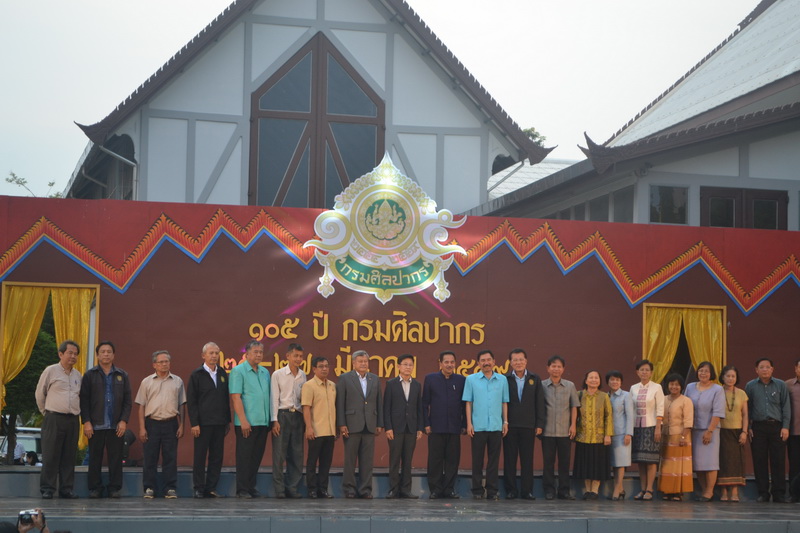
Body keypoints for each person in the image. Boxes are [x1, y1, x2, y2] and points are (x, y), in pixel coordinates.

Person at [79, 341, 132, 499]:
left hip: (116, 425)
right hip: (95, 425)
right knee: (95, 458)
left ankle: (114, 488)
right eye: (103, 351)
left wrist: (123, 421)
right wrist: (86, 421)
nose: (106, 354)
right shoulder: (90, 375)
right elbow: (84, 400)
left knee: (116, 459)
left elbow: (128, 401)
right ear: (97, 355)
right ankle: (95, 488)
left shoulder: (122, 375)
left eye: (109, 351)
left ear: (113, 355)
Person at [135, 350, 186, 499]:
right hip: (151, 424)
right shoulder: (146, 382)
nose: (164, 364)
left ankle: (169, 488)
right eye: (161, 362)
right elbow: (141, 406)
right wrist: (142, 427)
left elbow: (182, 405)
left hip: (171, 423)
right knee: (150, 457)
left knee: (170, 457)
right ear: (154, 365)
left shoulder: (178, 381)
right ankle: (149, 488)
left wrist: (182, 424)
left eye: (167, 361)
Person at [35, 340, 82, 499]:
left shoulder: (77, 375)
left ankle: (66, 489)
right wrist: (46, 412)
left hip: (72, 420)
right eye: (70, 353)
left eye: (75, 354)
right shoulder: (51, 371)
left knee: (69, 456)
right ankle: (47, 489)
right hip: (53, 418)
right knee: (50, 455)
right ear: (61, 354)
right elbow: (40, 394)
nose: (73, 356)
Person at [336, 350, 383, 499]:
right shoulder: (344, 378)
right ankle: (349, 489)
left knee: (367, 461)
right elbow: (340, 403)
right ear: (353, 363)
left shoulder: (374, 379)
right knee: (350, 460)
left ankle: (365, 490)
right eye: (360, 361)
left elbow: (379, 402)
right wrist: (341, 424)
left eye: (366, 361)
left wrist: (379, 423)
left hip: (370, 425)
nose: (363, 364)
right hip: (351, 425)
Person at [463, 349, 509, 500]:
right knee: (477, 460)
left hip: (496, 426)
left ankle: (492, 491)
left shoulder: (502, 380)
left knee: (493, 461)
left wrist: (505, 422)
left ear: (494, 362)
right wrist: (469, 423)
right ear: (478, 363)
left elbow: (504, 402)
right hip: (477, 426)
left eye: (489, 360)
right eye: (483, 360)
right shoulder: (471, 379)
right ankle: (477, 490)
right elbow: (468, 403)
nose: (486, 363)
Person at [186, 341, 230, 499]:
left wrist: (227, 421)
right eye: (211, 353)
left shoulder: (223, 374)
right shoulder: (196, 374)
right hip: (202, 424)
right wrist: (194, 423)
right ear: (203, 355)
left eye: (216, 353)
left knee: (216, 457)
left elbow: (226, 399)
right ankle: (199, 488)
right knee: (200, 456)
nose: (214, 356)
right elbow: (192, 401)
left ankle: (211, 488)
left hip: (219, 423)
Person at [745, 357, 791, 503]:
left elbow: (786, 407)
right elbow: (747, 409)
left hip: (777, 427)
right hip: (758, 427)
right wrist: (749, 427)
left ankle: (779, 493)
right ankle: (763, 493)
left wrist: (785, 427)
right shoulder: (750, 386)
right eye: (761, 367)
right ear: (756, 370)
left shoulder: (781, 385)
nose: (764, 369)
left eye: (767, 367)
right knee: (759, 461)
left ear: (772, 369)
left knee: (778, 460)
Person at [229, 340, 271, 499]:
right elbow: (236, 397)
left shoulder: (264, 372)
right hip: (246, 422)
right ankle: (242, 489)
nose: (259, 354)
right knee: (244, 457)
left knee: (256, 457)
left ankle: (251, 486)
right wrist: (243, 420)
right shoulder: (238, 371)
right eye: (256, 352)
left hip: (262, 422)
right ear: (247, 353)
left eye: (261, 351)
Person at [422, 351, 466, 499]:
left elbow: (464, 404)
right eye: (446, 362)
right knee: (435, 459)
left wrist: (464, 423)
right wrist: (426, 423)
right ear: (440, 363)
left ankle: (449, 489)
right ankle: (435, 489)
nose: (449, 365)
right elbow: (425, 403)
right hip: (435, 427)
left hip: (454, 427)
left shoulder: (461, 380)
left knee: (452, 460)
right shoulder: (430, 379)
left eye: (452, 362)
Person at [503, 348, 545, 500]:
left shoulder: (535, 378)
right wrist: (504, 421)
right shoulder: (504, 379)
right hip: (510, 426)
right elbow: (502, 402)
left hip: (529, 425)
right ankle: (511, 490)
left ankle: (527, 491)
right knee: (510, 459)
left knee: (527, 460)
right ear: (510, 362)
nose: (518, 362)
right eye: (515, 360)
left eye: (521, 359)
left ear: (526, 361)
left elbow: (539, 402)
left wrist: (539, 424)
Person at [383, 353, 424, 499]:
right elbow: (386, 407)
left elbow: (419, 408)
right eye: (405, 364)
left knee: (408, 460)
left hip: (411, 428)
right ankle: (393, 489)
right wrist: (388, 427)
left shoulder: (417, 385)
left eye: (410, 365)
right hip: (395, 428)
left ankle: (406, 489)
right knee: (394, 460)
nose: (408, 367)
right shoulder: (391, 384)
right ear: (398, 366)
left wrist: (420, 427)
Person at [541, 354, 580, 500]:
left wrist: (573, 425)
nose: (556, 369)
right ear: (548, 368)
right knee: (548, 463)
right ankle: (549, 490)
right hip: (547, 431)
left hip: (565, 431)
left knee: (564, 463)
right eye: (553, 366)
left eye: (559, 366)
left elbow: (574, 406)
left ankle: (564, 491)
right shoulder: (542, 385)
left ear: (563, 369)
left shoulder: (570, 386)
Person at [270, 343, 307, 498]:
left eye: (300, 356)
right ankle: (279, 490)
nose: (298, 359)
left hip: (297, 416)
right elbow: (274, 398)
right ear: (288, 356)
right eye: (295, 356)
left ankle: (292, 488)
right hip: (282, 416)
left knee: (296, 455)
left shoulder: (303, 375)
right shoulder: (278, 374)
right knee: (279, 455)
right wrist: (274, 420)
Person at [685, 361, 725, 501]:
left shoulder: (717, 389)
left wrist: (709, 431)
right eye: (701, 370)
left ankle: (710, 491)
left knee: (710, 462)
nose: (703, 373)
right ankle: (704, 490)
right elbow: (684, 405)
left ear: (711, 374)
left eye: (706, 371)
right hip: (693, 430)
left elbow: (718, 412)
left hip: (710, 430)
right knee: (698, 463)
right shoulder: (690, 387)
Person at [301, 356, 337, 498]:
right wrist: (308, 427)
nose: (324, 369)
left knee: (326, 463)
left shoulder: (332, 385)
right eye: (321, 366)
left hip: (330, 431)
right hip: (316, 430)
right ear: (314, 369)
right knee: (312, 462)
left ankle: (323, 489)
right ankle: (311, 489)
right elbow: (306, 408)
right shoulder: (309, 385)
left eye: (326, 366)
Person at [574, 370, 612, 500]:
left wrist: (608, 435)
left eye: (596, 377)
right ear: (586, 380)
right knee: (585, 464)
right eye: (591, 377)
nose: (594, 380)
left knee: (597, 464)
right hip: (583, 436)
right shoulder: (579, 395)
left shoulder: (604, 396)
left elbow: (608, 416)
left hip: (599, 437)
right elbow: (574, 414)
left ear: (600, 381)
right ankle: (587, 490)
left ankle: (595, 491)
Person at [630, 359, 664, 501]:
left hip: (651, 427)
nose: (644, 372)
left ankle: (650, 489)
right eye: (641, 370)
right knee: (640, 460)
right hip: (637, 428)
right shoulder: (633, 388)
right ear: (637, 372)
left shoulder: (657, 387)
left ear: (651, 373)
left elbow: (660, 407)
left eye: (647, 370)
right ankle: (642, 489)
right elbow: (631, 408)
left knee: (650, 460)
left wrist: (658, 427)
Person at [658, 374, 693, 501]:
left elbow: (688, 421)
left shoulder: (686, 400)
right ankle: (667, 491)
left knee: (678, 466)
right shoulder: (663, 399)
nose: (674, 387)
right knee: (666, 465)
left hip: (680, 436)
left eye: (677, 384)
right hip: (665, 436)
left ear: (681, 386)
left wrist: (683, 437)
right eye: (671, 384)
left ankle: (678, 492)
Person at [718, 364, 748, 502]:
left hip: (737, 432)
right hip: (721, 431)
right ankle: (723, 492)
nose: (730, 379)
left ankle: (735, 492)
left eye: (733, 376)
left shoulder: (741, 393)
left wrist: (744, 432)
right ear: (723, 377)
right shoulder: (717, 391)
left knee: (736, 462)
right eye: (728, 376)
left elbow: (745, 414)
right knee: (723, 461)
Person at [606, 370, 634, 501]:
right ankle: (621, 488)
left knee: (621, 463)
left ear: (621, 382)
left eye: (617, 380)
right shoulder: (605, 396)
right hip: (608, 434)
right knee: (613, 463)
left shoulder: (626, 395)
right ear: (608, 382)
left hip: (622, 433)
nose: (614, 382)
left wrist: (629, 433)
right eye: (612, 379)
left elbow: (630, 415)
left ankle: (617, 489)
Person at [785, 359, 800, 499]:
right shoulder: (787, 385)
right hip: (794, 432)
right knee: (794, 464)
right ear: (796, 368)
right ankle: (794, 494)